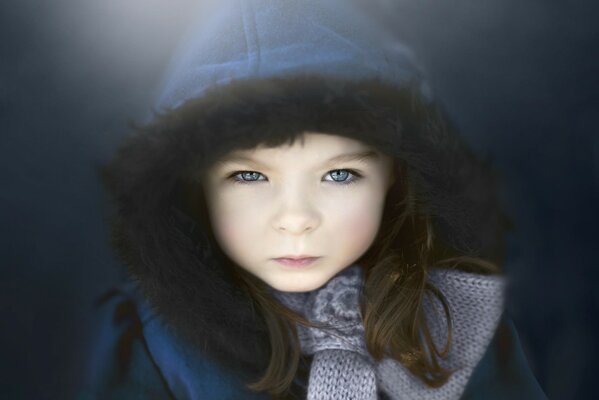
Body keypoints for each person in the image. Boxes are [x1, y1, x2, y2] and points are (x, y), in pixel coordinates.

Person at [78, 0, 548, 399]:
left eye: (340, 174)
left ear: (396, 179)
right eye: (248, 175)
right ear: (194, 187)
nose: (297, 218)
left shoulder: (457, 326)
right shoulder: (153, 342)